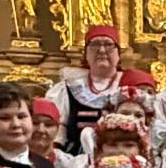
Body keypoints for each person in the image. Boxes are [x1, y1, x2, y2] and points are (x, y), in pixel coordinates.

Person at [46, 24, 146, 154]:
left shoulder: (132, 85)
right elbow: (58, 134)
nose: (102, 50)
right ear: (86, 53)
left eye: (108, 45)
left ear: (118, 53)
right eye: (95, 44)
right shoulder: (67, 89)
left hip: (124, 158)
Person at [29, 98, 75, 168]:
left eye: (49, 124)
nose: (41, 130)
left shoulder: (69, 163)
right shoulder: (14, 161)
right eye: (35, 123)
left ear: (58, 128)